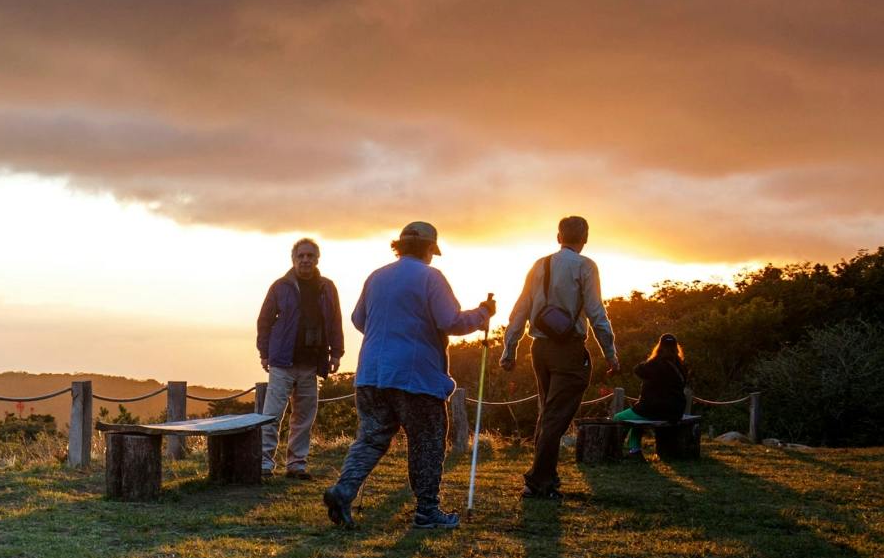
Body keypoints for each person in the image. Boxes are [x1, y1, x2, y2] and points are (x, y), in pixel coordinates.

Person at [322, 222, 494, 530]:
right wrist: (482, 314)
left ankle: (344, 490)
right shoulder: (430, 277)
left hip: (371, 373)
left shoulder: (377, 276)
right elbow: (450, 321)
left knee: (372, 437)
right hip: (416, 377)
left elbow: (359, 319)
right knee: (427, 441)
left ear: (399, 246)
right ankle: (427, 511)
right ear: (429, 249)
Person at [499, 215, 620, 499]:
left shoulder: (539, 264)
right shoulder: (586, 266)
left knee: (548, 414)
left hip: (539, 348)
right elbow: (596, 313)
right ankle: (539, 482)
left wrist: (510, 347)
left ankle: (544, 478)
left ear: (558, 237)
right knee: (555, 417)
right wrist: (610, 353)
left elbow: (521, 308)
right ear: (585, 238)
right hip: (568, 349)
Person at [255, 237, 344, 479]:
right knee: (272, 415)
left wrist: (336, 352)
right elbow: (264, 321)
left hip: (311, 363)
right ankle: (264, 464)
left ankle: (296, 466)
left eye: (310, 256)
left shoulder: (327, 287)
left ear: (317, 259)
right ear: (293, 259)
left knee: (304, 417)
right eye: (301, 256)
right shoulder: (280, 286)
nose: (305, 260)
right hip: (282, 361)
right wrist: (264, 353)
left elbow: (335, 321)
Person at [614, 333, 689, 456]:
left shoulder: (656, 363)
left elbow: (637, 370)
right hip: (675, 411)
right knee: (636, 421)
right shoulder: (681, 366)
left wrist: (653, 357)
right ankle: (634, 449)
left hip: (652, 409)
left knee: (618, 417)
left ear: (659, 346)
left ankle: (614, 448)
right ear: (676, 348)